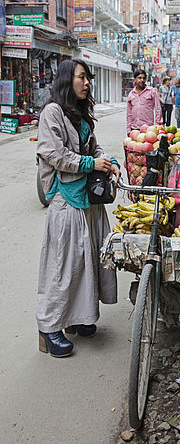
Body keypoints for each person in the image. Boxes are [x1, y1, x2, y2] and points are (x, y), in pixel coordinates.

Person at [36, 59, 120, 357]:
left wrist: (110, 163)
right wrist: (90, 164)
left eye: (88, 78)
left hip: (88, 199)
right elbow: (52, 153)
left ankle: (79, 318)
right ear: (65, 80)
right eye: (81, 78)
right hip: (66, 199)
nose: (87, 83)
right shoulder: (52, 113)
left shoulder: (81, 114)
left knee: (87, 262)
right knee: (62, 266)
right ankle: (49, 326)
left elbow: (94, 148)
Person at [127, 69, 163, 135]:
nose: (142, 80)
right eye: (139, 78)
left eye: (144, 78)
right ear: (135, 79)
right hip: (134, 128)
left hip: (149, 129)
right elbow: (129, 114)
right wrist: (128, 129)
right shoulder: (131, 94)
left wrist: (158, 124)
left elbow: (158, 108)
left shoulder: (152, 91)